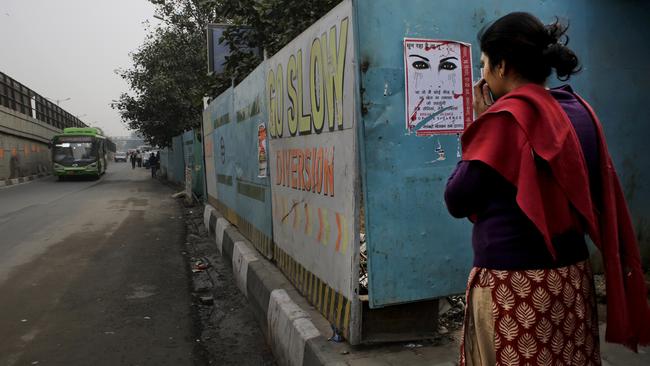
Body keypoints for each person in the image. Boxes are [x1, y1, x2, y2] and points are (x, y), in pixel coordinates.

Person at [444, 12, 650, 366]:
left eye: (484, 65)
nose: (483, 75)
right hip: (570, 282)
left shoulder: (503, 121)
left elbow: (457, 198)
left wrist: (480, 125)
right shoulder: (580, 110)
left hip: (513, 290)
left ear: (503, 65)